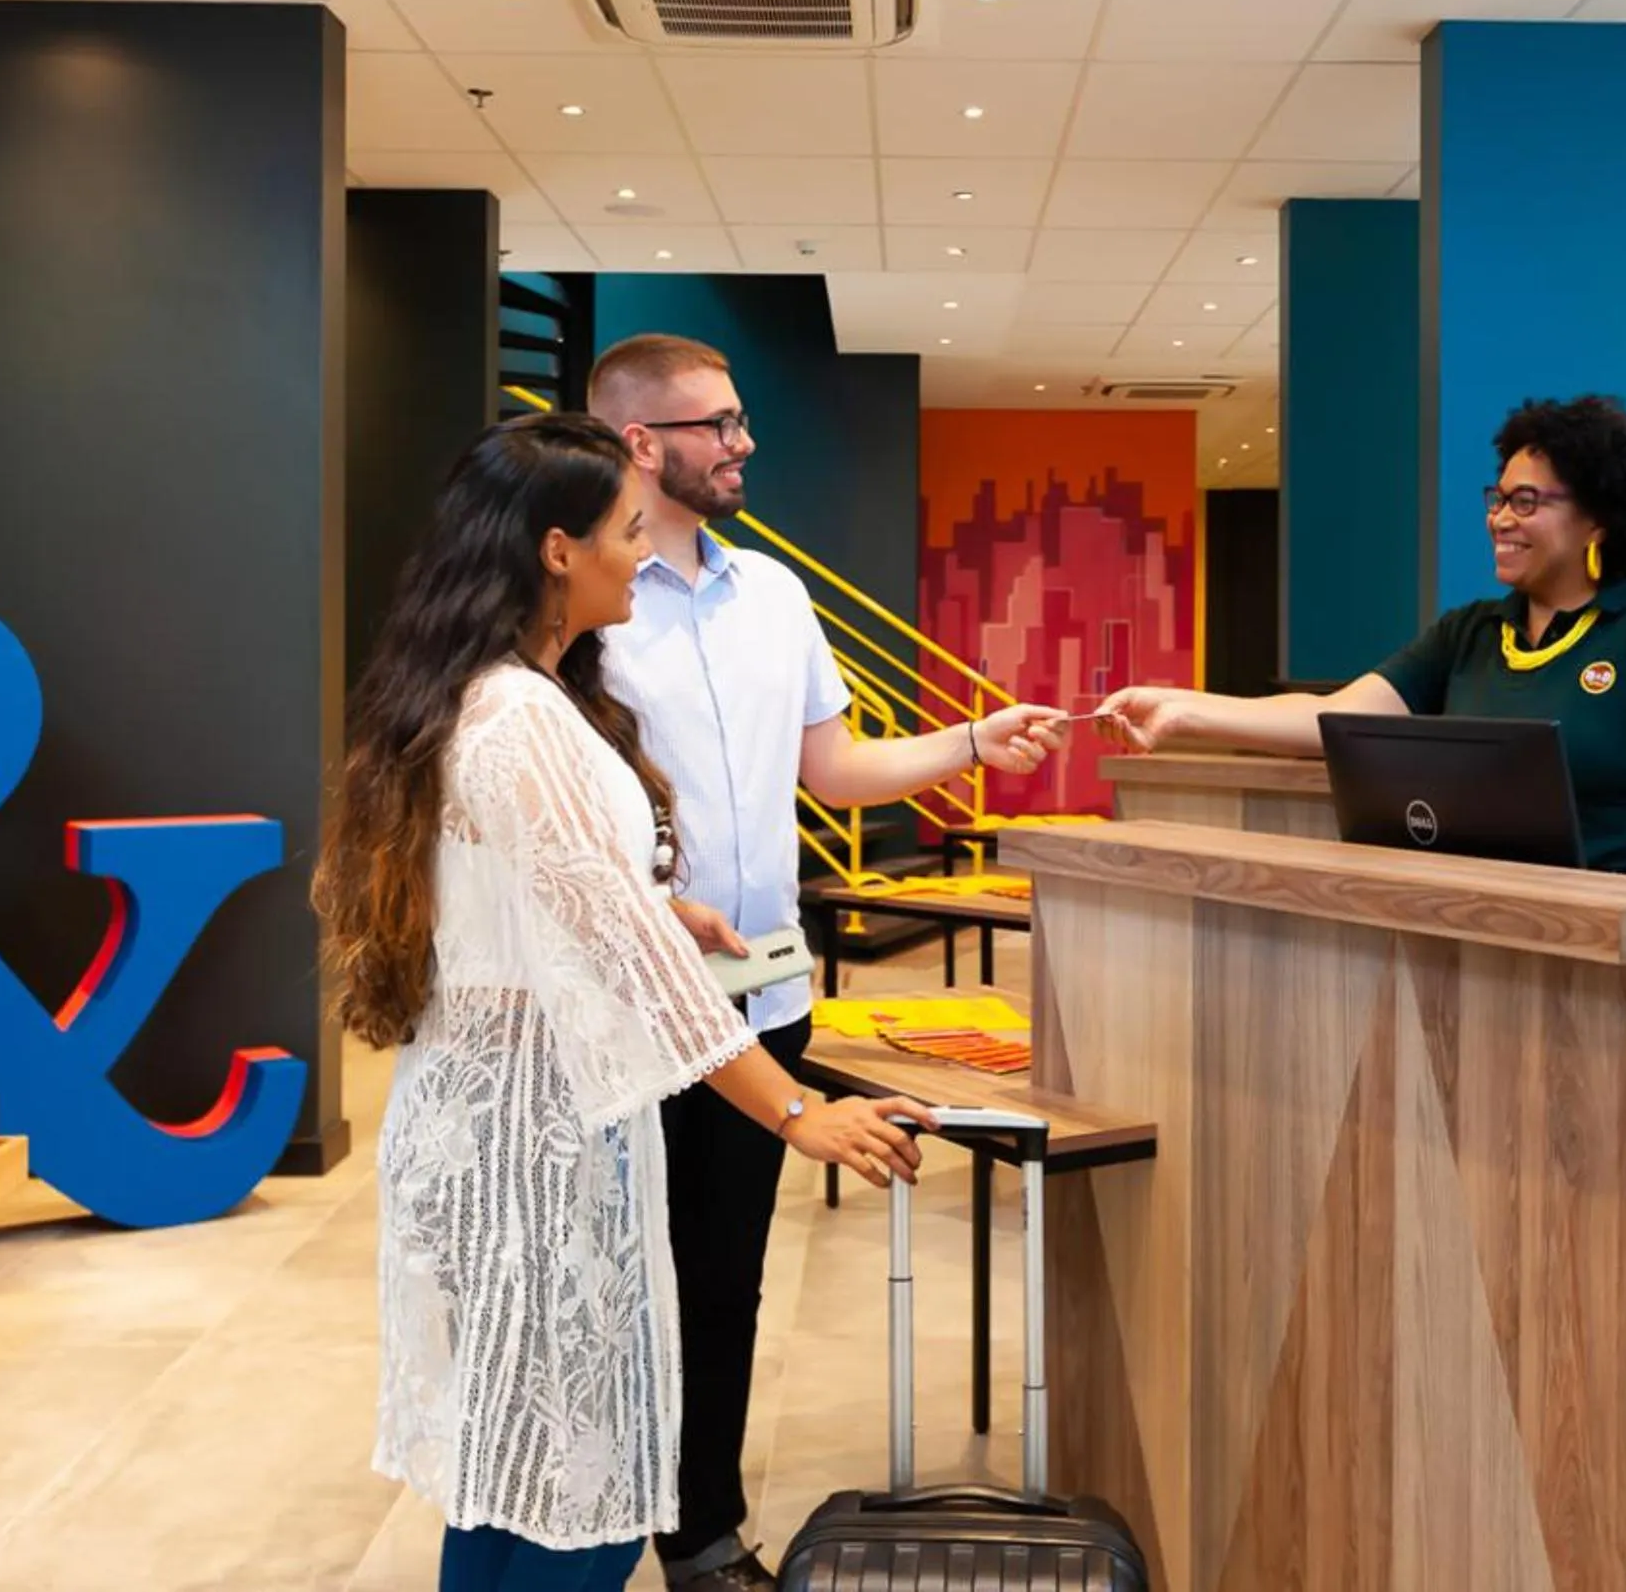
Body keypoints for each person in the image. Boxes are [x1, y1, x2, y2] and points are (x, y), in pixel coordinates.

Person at [314, 413, 941, 1592]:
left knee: (513, 1477)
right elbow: (624, 965)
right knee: (586, 1499)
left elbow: (553, 906)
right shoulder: (521, 718)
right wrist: (795, 1109)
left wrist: (663, 911)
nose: (638, 553)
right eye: (623, 531)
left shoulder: (489, 697)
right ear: (557, 551)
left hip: (500, 1129)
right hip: (535, 1155)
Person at [586, 333, 1068, 1590]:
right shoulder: (580, 598)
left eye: (742, 418)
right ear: (640, 442)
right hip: (630, 1001)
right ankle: (585, 1517)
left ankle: (700, 1532)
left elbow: (835, 769)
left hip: (768, 999)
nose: (742, 441)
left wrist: (976, 738)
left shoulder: (775, 597)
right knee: (613, 1280)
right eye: (716, 423)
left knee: (726, 1277)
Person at [1100, 393, 1626, 889]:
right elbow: (1338, 713)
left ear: (1599, 518)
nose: (1498, 518)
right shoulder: (1473, 631)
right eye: (1498, 497)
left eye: (1526, 502)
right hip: (1492, 922)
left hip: (1625, 927)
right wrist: (1184, 709)